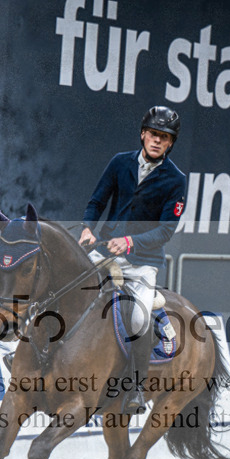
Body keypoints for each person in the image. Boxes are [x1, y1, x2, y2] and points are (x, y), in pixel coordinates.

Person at [78, 105, 187, 414]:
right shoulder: (120, 163)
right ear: (143, 134)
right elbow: (98, 200)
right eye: (153, 134)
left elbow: (166, 230)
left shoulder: (175, 180)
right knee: (65, 286)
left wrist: (130, 242)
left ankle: (136, 388)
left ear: (170, 144)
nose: (157, 141)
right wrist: (87, 226)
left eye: (164, 138)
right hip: (105, 248)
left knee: (138, 318)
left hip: (143, 260)